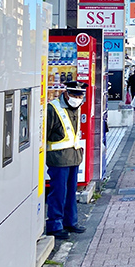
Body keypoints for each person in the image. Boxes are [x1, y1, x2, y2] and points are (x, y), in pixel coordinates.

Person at [45, 80, 87, 240]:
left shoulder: (76, 106)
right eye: (75, 95)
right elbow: (46, 134)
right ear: (67, 94)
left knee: (71, 192)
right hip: (58, 159)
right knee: (58, 192)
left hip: (74, 157)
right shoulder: (53, 108)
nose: (78, 98)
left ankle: (71, 222)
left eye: (80, 95)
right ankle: (55, 225)